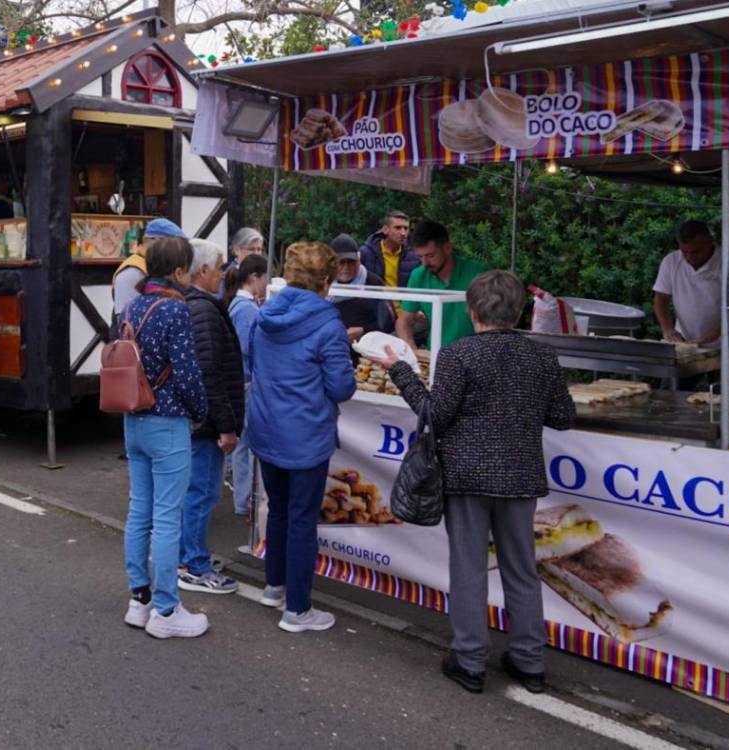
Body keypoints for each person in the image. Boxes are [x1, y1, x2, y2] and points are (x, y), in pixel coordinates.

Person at [371, 270, 576, 694]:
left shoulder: (459, 354)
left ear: (472, 310)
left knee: (468, 570)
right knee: (522, 571)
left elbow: (434, 415)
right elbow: (563, 417)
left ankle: (470, 661)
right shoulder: (542, 357)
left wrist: (401, 372)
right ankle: (529, 662)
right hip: (521, 476)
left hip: (467, 475)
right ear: (519, 311)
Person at [245, 241, 356, 633]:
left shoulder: (264, 314)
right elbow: (342, 387)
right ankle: (298, 609)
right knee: (302, 520)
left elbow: (252, 363)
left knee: (277, 509)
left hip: (266, 425)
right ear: (325, 282)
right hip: (306, 433)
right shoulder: (329, 325)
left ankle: (274, 586)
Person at [119, 236, 209, 639]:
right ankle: (167, 610)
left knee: (140, 511)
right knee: (168, 517)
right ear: (177, 271)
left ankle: (139, 600)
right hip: (168, 422)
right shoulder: (175, 309)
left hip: (132, 417)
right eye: (187, 268)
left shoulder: (133, 305)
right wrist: (202, 413)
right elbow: (187, 373)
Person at [178, 239, 245, 595]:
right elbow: (209, 373)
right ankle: (194, 565)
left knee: (193, 493)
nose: (223, 272)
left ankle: (186, 558)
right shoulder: (203, 309)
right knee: (201, 493)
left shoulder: (193, 304)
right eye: (219, 266)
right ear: (203, 270)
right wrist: (226, 425)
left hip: (196, 421)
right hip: (205, 424)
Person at [653, 220, 729, 374]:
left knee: (725, 396)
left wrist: (710, 337)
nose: (689, 257)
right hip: (686, 345)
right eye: (685, 252)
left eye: (695, 252)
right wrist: (668, 329)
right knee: (673, 390)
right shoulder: (671, 262)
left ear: (709, 243)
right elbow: (660, 298)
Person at [396, 220, 490, 350]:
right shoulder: (418, 276)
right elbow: (403, 321)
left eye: (430, 255)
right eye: (420, 257)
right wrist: (412, 352)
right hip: (436, 356)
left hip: (473, 358)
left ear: (448, 248)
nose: (424, 263)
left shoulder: (477, 273)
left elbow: (495, 323)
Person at [223, 253, 269, 518]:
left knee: (243, 446)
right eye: (265, 278)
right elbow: (245, 347)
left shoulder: (242, 306)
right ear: (255, 277)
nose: (266, 284)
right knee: (246, 446)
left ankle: (244, 501)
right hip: (247, 381)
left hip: (243, 380)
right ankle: (245, 502)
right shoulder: (246, 309)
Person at [112, 218, 186, 328]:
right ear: (156, 240)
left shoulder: (159, 265)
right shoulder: (132, 271)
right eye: (174, 245)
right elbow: (125, 323)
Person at [328, 233, 392, 344]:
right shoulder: (321, 283)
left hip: (365, 350)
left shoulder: (372, 283)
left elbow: (389, 321)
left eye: (351, 262)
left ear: (359, 260)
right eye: (341, 262)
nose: (346, 267)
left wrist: (363, 330)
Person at [358, 210, 418, 290]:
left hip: (405, 302)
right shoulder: (366, 253)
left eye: (406, 228)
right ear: (385, 229)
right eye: (398, 228)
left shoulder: (414, 257)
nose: (403, 233)